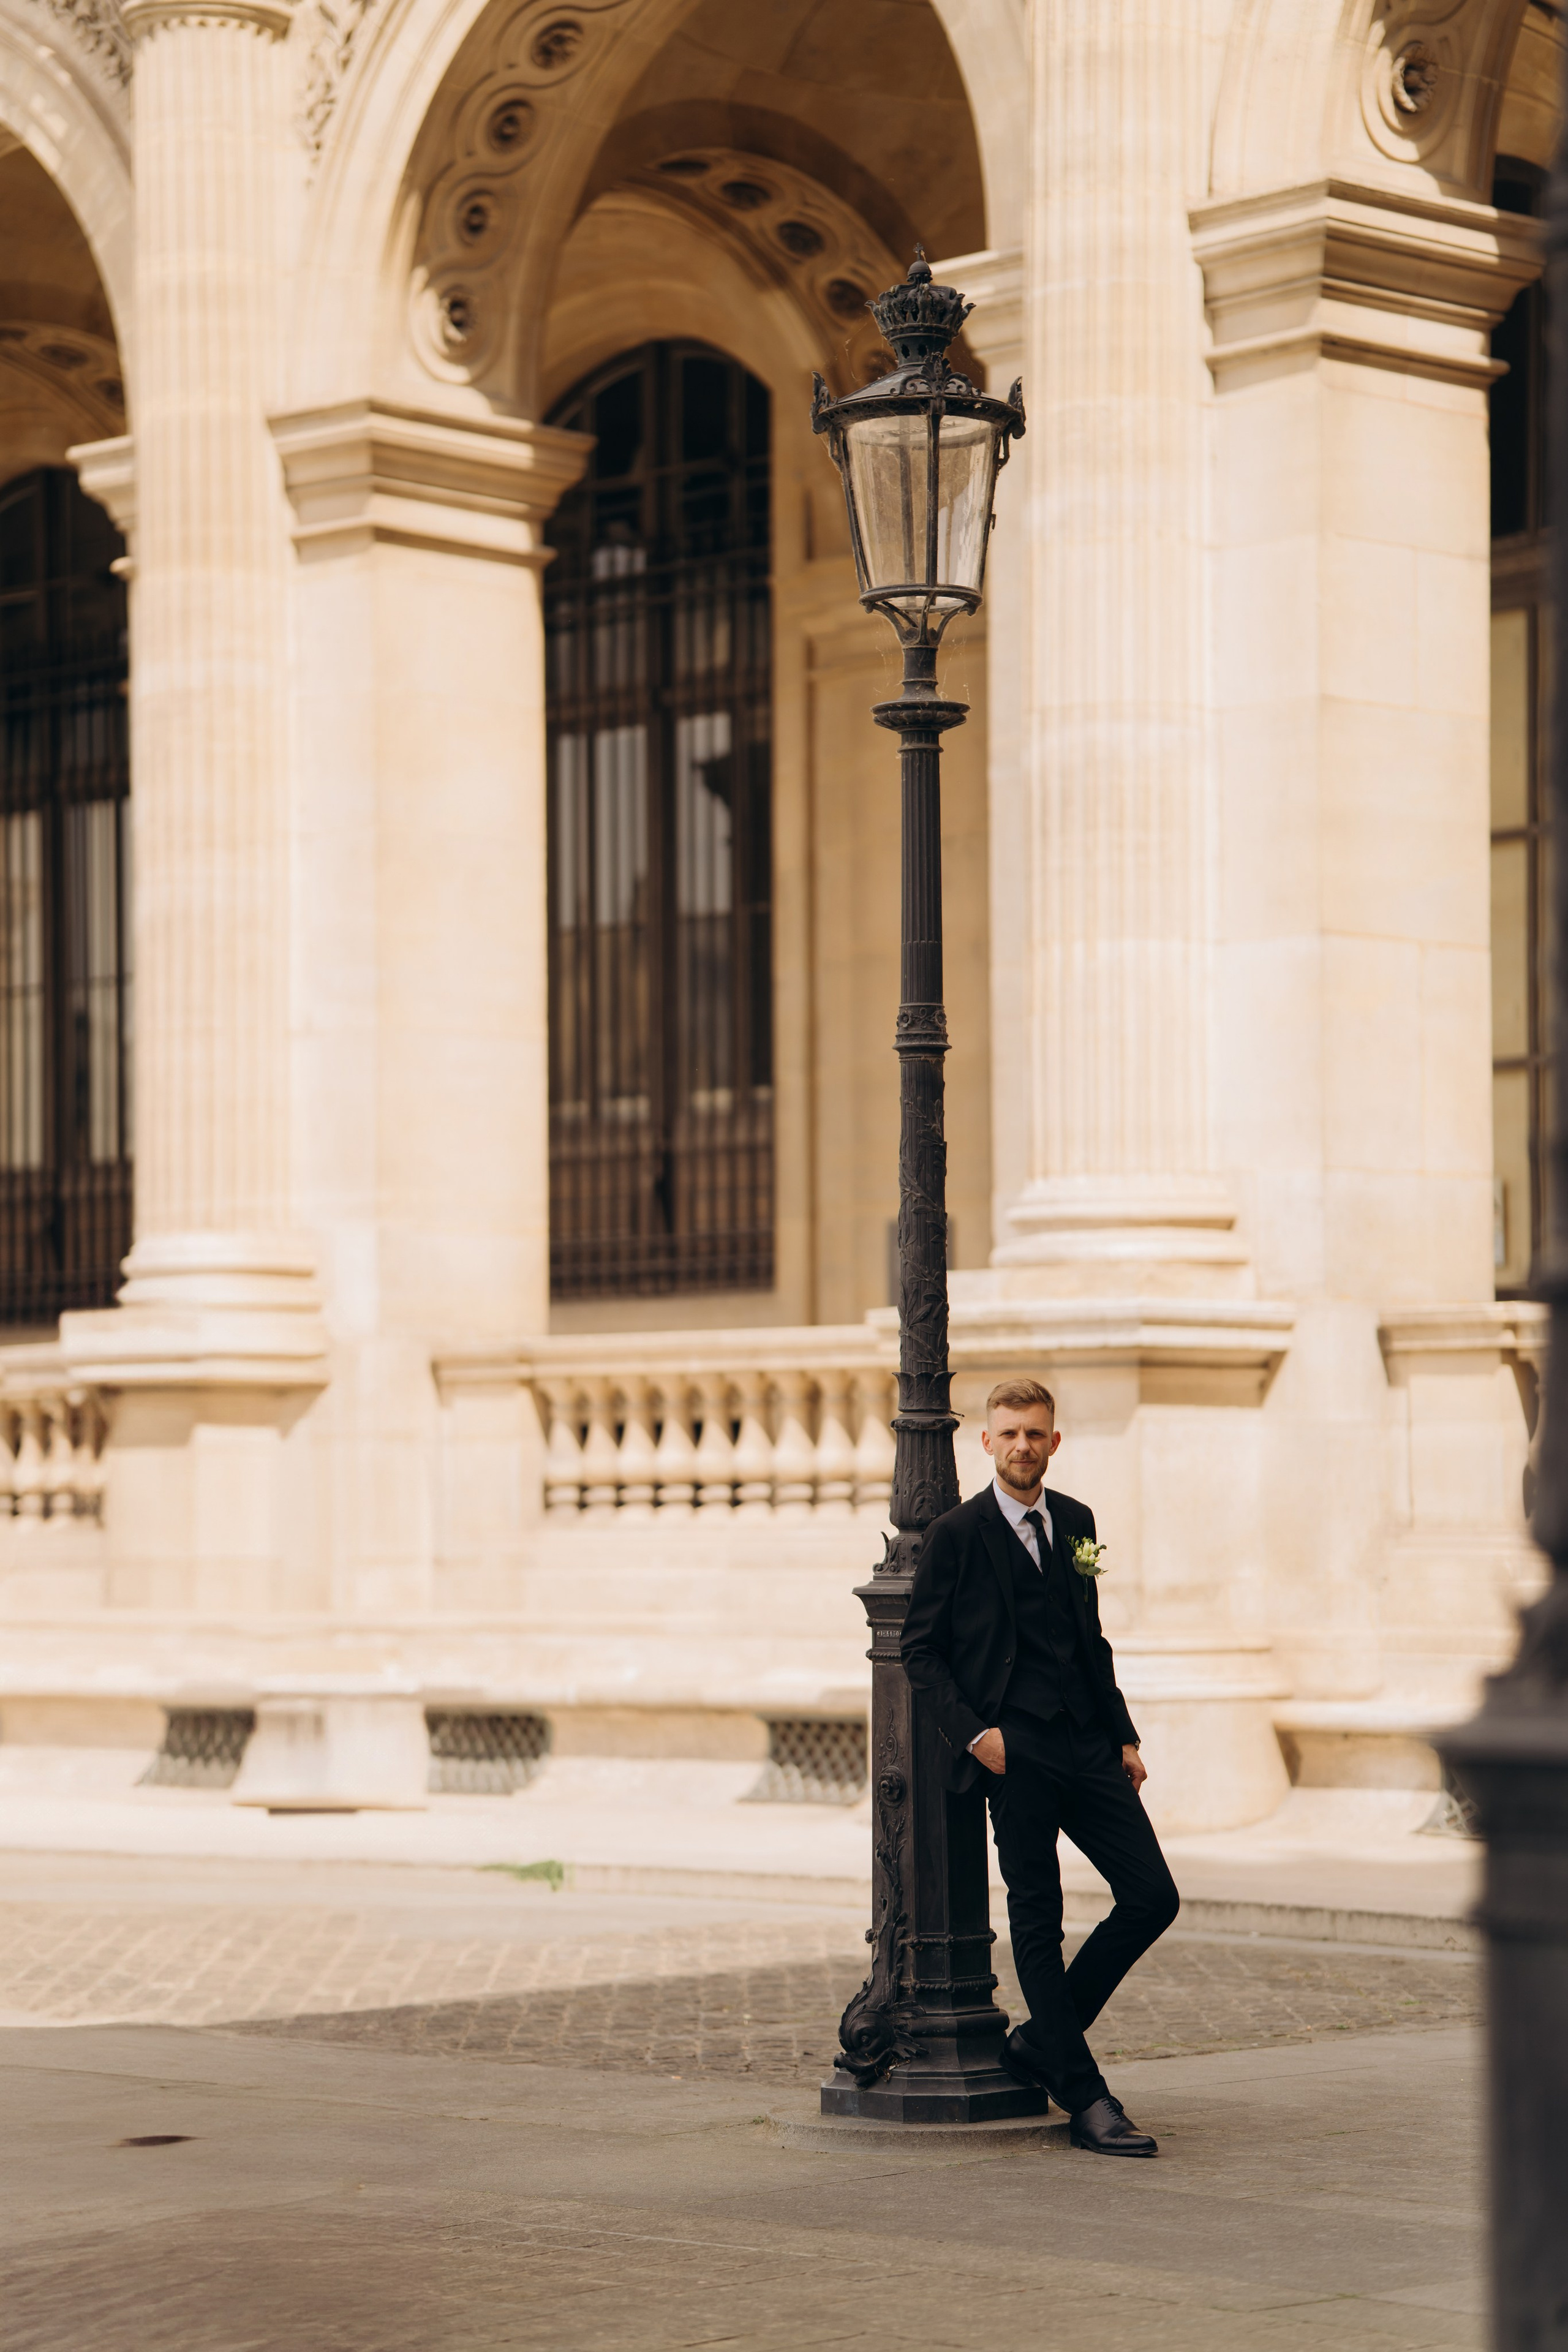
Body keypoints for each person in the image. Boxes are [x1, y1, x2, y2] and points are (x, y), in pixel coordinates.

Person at [900, 1377, 1180, 2156]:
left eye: (1035, 1433)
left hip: (1088, 1745)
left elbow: (1091, 1638)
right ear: (984, 1443)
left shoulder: (1080, 1524)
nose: (1022, 1445)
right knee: (1038, 1918)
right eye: (1008, 1433)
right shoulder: (957, 1535)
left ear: (1054, 1442)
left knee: (1153, 1896)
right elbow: (919, 1652)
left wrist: (1121, 1736)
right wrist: (976, 1736)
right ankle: (1086, 2096)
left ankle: (1041, 2045)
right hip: (1012, 1751)